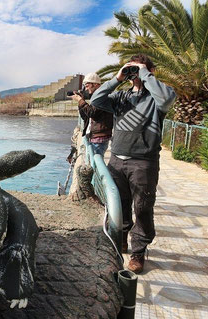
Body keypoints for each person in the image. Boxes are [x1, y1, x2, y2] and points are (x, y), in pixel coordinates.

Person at [90, 54, 176, 274]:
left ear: (150, 72)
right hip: (117, 159)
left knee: (143, 208)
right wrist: (117, 78)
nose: (134, 75)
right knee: (119, 204)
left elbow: (167, 99)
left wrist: (144, 73)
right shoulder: (121, 96)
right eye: (132, 70)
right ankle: (121, 241)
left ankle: (138, 251)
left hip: (143, 161)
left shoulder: (156, 99)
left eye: (139, 70)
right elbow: (96, 100)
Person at [70, 72, 113, 158]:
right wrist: (80, 101)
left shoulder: (102, 97)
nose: (86, 89)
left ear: (96, 84)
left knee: (96, 162)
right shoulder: (95, 97)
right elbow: (85, 116)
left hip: (99, 138)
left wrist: (80, 101)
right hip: (93, 136)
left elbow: (92, 113)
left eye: (87, 85)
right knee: (92, 161)